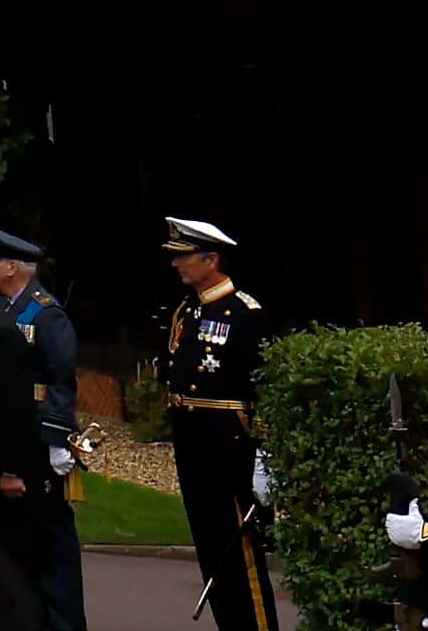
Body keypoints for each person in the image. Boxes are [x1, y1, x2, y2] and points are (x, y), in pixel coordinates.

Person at [153, 212, 279, 631]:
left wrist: (264, 456)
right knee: (210, 546)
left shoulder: (244, 314)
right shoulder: (186, 311)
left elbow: (263, 388)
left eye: (184, 256)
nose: (176, 264)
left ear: (212, 260)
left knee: (238, 549)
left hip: (229, 443)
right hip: (192, 442)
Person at [0, 231, 88, 631]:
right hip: (13, 434)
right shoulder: (2, 309)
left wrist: (56, 437)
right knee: (22, 543)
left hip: (38, 439)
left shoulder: (46, 313)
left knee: (52, 543)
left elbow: (61, 380)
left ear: (11, 267)